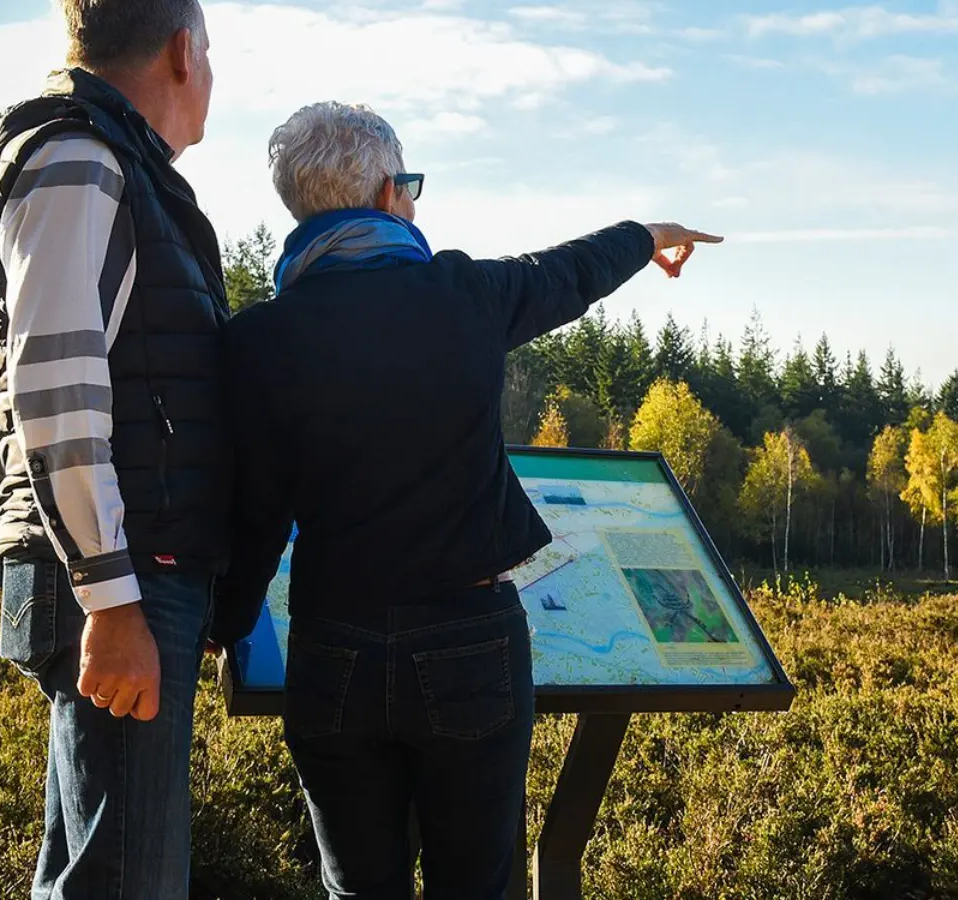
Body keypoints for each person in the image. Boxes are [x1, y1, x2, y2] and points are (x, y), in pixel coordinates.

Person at [211, 101, 720, 900]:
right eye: (409, 183)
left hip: (331, 644)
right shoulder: (463, 296)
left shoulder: (258, 339)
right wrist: (649, 234)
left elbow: (254, 511)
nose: (414, 201)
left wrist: (226, 624)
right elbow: (568, 272)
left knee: (357, 889)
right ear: (386, 194)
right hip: (468, 639)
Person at [0, 0, 227, 896]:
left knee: (94, 871)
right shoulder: (80, 159)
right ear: (182, 53)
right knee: (126, 881)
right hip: (114, 573)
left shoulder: (98, 159)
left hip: (114, 569)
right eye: (212, 51)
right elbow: (56, 393)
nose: (213, 71)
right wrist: (113, 597)